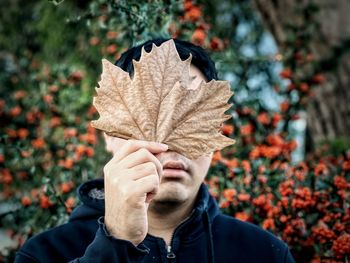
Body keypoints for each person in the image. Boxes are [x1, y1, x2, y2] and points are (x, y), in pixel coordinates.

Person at [15, 38, 295, 263]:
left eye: (191, 120)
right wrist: (114, 245)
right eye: (147, 119)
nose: (169, 144)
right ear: (109, 135)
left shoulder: (267, 253)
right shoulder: (43, 254)